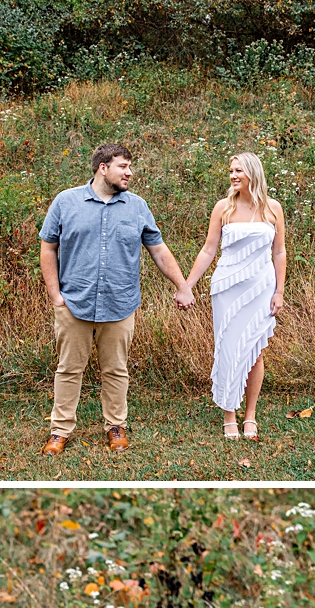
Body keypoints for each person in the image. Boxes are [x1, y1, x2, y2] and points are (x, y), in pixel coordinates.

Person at [37, 142, 194, 456]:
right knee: (69, 369)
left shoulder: (137, 206)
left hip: (120, 304)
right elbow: (48, 247)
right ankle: (60, 430)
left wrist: (182, 285)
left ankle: (115, 426)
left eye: (130, 166)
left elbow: (158, 250)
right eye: (123, 166)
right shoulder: (66, 202)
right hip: (74, 302)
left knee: (116, 369)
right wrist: (56, 295)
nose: (130, 173)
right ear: (103, 167)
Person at [180, 151, 287, 440]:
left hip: (261, 288)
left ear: (253, 172)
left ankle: (250, 416)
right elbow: (208, 250)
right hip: (228, 287)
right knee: (227, 349)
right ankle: (229, 416)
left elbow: (279, 252)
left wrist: (279, 290)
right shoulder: (223, 208)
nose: (233, 175)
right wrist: (187, 285)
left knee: (255, 351)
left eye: (239, 170)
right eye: (231, 171)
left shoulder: (272, 208)